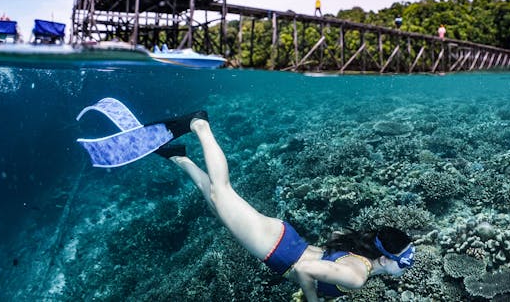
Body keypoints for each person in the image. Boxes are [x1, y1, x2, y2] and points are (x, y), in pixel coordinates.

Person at [156, 112, 415, 301]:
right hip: (274, 248)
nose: (408, 267)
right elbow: (304, 268)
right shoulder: (357, 277)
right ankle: (200, 125)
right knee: (221, 191)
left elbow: (334, 240)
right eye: (405, 262)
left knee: (218, 206)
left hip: (284, 240)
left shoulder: (362, 258)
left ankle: (180, 157)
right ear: (384, 258)